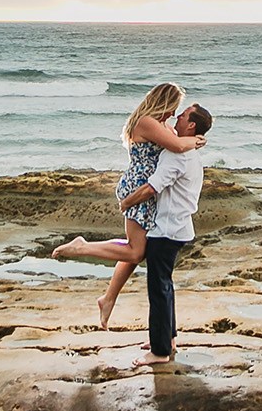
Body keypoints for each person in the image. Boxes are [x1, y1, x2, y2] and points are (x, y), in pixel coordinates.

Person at [53, 82, 206, 327]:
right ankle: (82, 248)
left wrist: (192, 139)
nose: (173, 114)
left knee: (136, 249)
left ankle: (108, 299)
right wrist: (198, 140)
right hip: (138, 189)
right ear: (163, 102)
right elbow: (178, 146)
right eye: (172, 108)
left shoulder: (162, 124)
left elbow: (178, 145)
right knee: (136, 251)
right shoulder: (146, 122)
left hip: (150, 192)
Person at [116, 103, 210, 365]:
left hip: (167, 229)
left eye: (182, 115)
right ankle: (167, 339)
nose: (176, 117)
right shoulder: (184, 149)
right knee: (165, 286)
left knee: (158, 289)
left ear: (191, 125)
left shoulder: (177, 154)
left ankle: (158, 352)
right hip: (178, 227)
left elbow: (151, 188)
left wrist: (126, 203)